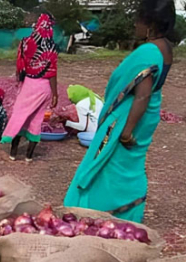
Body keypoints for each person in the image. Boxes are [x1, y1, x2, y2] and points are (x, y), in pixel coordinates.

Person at [64, 0, 174, 223]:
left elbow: (142, 92)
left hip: (130, 117)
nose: (135, 25)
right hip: (146, 115)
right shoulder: (166, 47)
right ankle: (128, 213)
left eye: (138, 20)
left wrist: (127, 130)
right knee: (128, 165)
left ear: (150, 23)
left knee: (108, 164)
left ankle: (91, 210)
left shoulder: (149, 51)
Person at [1, 13, 59, 162]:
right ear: (50, 26)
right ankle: (28, 157)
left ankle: (13, 153)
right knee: (36, 119)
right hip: (44, 87)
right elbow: (52, 72)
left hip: (28, 84)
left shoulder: (26, 42)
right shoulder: (52, 46)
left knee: (20, 115)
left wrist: (19, 80)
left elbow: (20, 63)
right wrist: (55, 94)